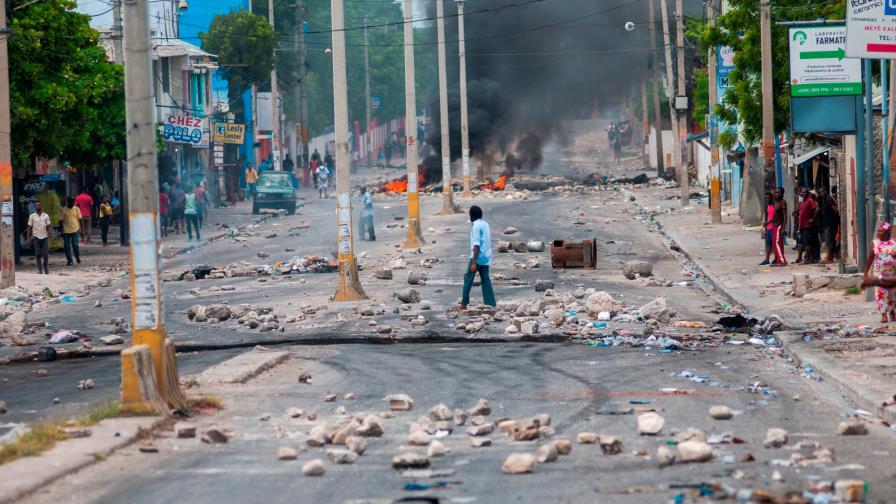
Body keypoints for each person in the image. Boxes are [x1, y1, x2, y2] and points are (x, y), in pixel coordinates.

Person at [459, 205, 496, 309]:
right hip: (486, 257)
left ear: (471, 215)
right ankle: (490, 304)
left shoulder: (475, 226)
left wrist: (474, 262)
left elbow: (476, 245)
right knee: (486, 280)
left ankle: (464, 304)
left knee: (468, 278)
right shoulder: (486, 224)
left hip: (477, 257)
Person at [864, 222, 896, 323]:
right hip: (879, 274)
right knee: (881, 293)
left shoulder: (894, 243)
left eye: (881, 231)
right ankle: (883, 314)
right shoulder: (875, 243)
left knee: (893, 294)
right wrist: (866, 272)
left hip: (892, 274)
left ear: (887, 232)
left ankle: (892, 312)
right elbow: (870, 258)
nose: (878, 232)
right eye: (878, 230)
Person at [27, 201, 52, 274]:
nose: (38, 206)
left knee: (45, 253)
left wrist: (50, 234)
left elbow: (49, 226)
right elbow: (29, 227)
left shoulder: (46, 216)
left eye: (39, 205)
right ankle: (39, 269)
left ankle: (46, 267)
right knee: (37, 254)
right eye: (36, 205)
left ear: (41, 206)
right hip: (36, 237)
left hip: (44, 236)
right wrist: (28, 238)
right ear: (34, 207)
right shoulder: (32, 216)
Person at [817, 186, 839, 264]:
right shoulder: (822, 200)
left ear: (826, 191)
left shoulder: (829, 199)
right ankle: (828, 257)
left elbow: (836, 210)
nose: (822, 193)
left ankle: (830, 258)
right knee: (827, 241)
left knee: (830, 241)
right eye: (820, 192)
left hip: (831, 224)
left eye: (823, 191)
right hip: (825, 224)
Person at [797, 188, 819, 265]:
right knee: (806, 242)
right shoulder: (803, 201)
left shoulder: (810, 200)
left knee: (807, 243)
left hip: (807, 226)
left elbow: (816, 209)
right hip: (802, 225)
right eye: (802, 192)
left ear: (808, 193)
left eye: (805, 192)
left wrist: (812, 219)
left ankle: (807, 259)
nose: (804, 193)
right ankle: (810, 258)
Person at [769, 187, 788, 267]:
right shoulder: (775, 202)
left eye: (779, 192)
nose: (777, 194)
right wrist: (768, 222)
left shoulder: (782, 202)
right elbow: (775, 215)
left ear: (782, 193)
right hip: (774, 225)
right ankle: (777, 259)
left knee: (776, 243)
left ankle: (782, 261)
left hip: (779, 225)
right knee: (776, 243)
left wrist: (783, 227)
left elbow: (785, 215)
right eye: (776, 192)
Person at [61, 197, 81, 266]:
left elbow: (80, 219)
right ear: (68, 202)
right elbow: (60, 220)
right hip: (66, 230)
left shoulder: (77, 209)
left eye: (73, 201)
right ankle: (70, 260)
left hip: (75, 229)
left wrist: (81, 229)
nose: (72, 203)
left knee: (75, 245)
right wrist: (61, 230)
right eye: (71, 201)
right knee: (67, 246)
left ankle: (77, 257)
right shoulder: (63, 209)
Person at [760, 191, 774, 265]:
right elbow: (766, 216)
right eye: (766, 198)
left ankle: (776, 258)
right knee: (768, 244)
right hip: (768, 227)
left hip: (773, 227)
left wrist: (767, 222)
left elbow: (775, 216)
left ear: (771, 198)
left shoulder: (774, 205)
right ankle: (767, 259)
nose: (767, 199)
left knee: (774, 244)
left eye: (769, 198)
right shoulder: (767, 205)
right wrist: (765, 225)